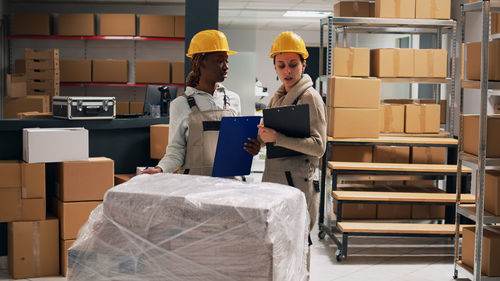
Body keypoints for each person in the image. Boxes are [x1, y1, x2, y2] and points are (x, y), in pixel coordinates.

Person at [142, 30, 260, 176]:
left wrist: (252, 148)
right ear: (200, 62)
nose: (226, 66)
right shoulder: (181, 104)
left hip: (230, 185)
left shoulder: (233, 100)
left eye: (226, 61)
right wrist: (160, 169)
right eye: (219, 61)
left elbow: (239, 146)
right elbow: (175, 151)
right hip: (194, 187)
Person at [258, 31, 327, 272]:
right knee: (277, 247)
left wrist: (279, 138)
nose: (287, 71)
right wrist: (260, 140)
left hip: (298, 184)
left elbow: (319, 146)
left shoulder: (310, 97)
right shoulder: (277, 98)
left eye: (293, 65)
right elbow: (274, 140)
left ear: (304, 64)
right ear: (275, 66)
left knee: (298, 247)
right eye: (281, 65)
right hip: (275, 181)